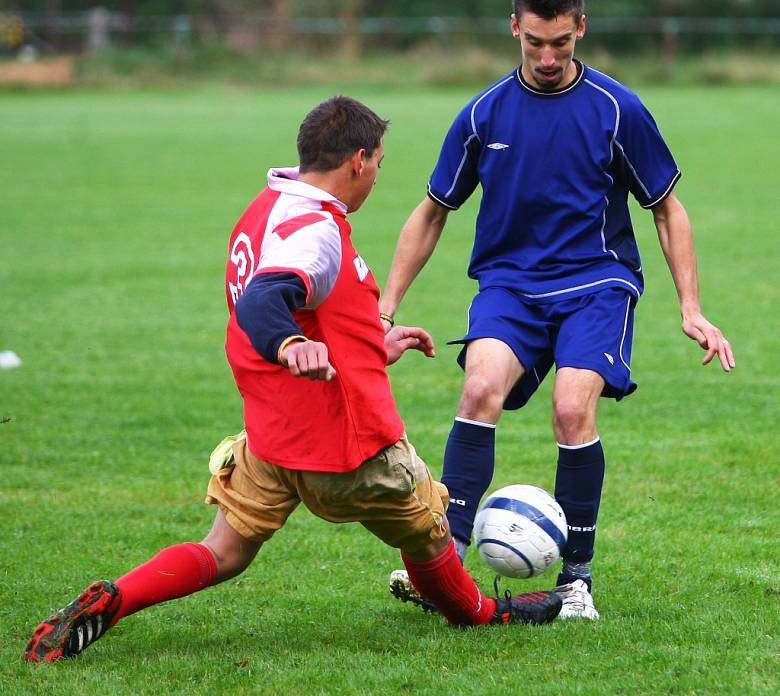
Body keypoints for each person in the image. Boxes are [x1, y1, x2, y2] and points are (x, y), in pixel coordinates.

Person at [24, 96, 563, 664]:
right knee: (428, 527)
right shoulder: (316, 231)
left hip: (271, 438)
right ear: (358, 160)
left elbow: (301, 308)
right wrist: (290, 343)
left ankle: (116, 598)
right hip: (347, 445)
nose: (378, 175)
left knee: (225, 550)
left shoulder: (265, 209)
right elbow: (265, 301)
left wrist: (368, 347)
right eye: (379, 162)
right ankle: (485, 613)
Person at [381, 0, 735, 621]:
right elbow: (433, 211)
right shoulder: (484, 114)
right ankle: (445, 564)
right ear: (514, 28)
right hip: (511, 284)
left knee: (573, 410)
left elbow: (667, 208)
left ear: (581, 30)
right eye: (535, 43)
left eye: (562, 44)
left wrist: (692, 309)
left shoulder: (616, 109)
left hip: (597, 283)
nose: (548, 58)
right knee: (479, 388)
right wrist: (386, 305)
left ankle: (576, 584)